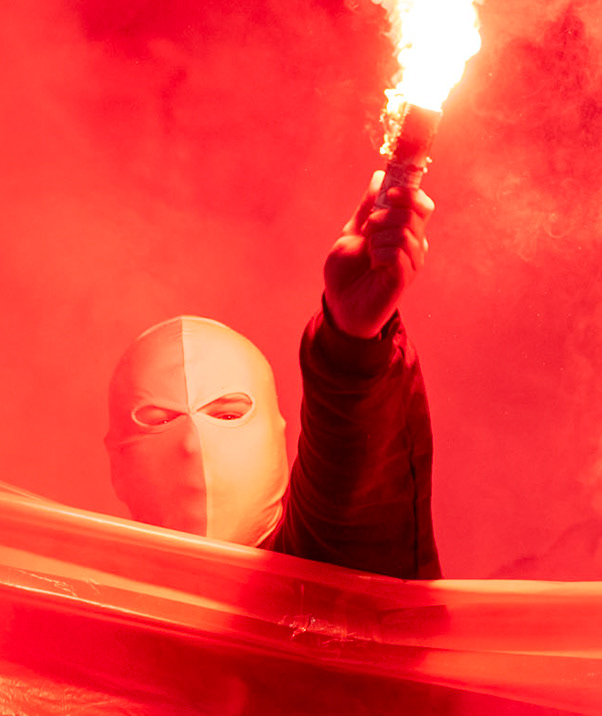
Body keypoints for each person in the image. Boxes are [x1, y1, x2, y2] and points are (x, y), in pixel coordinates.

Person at [105, 177, 438, 580]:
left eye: (227, 415)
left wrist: (349, 349)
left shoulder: (316, 576)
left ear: (279, 440)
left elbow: (350, 496)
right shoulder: (72, 612)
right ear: (115, 461)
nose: (193, 446)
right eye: (159, 419)